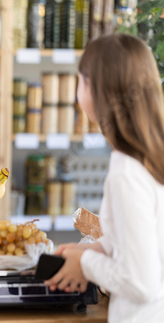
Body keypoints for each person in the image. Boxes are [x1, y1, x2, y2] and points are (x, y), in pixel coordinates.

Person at [44, 33, 164, 322]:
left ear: (94, 89)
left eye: (80, 79)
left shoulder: (126, 172)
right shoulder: (151, 155)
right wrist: (99, 247)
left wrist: (85, 262)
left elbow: (141, 283)